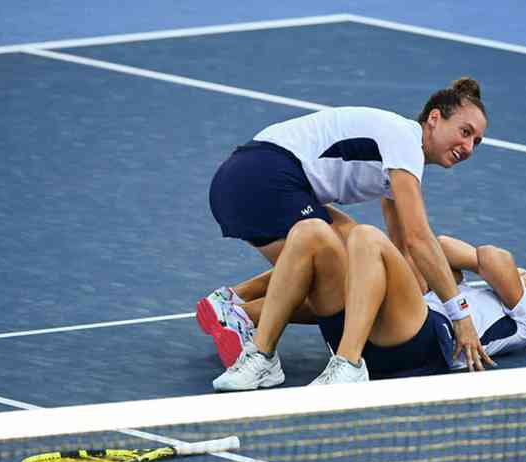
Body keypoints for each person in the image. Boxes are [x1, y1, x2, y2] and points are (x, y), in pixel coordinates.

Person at [200, 77, 492, 372]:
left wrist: (417, 291)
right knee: (339, 285)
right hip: (264, 181)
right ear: (434, 118)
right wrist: (460, 316)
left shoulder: (399, 152)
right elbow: (419, 239)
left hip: (248, 173)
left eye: (476, 142)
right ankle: (249, 323)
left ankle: (230, 300)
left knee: (350, 247)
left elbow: (402, 252)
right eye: (464, 132)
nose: (468, 147)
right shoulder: (405, 143)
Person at [205, 220, 526, 390]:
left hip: (421, 344)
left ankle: (350, 365)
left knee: (367, 238)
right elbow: (444, 245)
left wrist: (524, 279)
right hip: (377, 331)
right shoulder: (480, 294)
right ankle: (260, 352)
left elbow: (491, 255)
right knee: (312, 233)